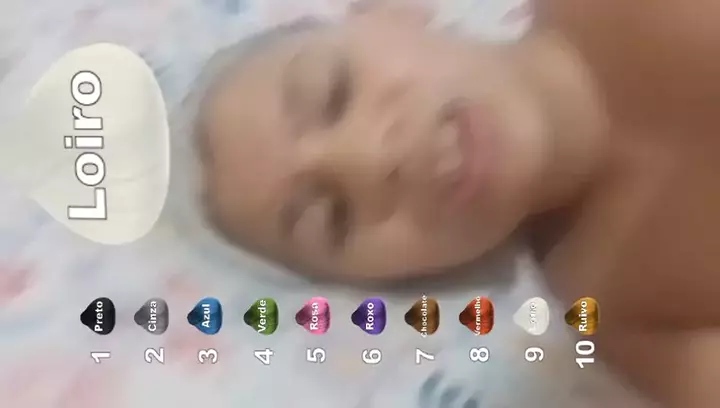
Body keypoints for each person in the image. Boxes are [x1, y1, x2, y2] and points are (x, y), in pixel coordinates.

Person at [191, 1, 720, 406]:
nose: (372, 159)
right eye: (334, 217)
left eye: (335, 92)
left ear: (391, 14)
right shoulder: (621, 316)